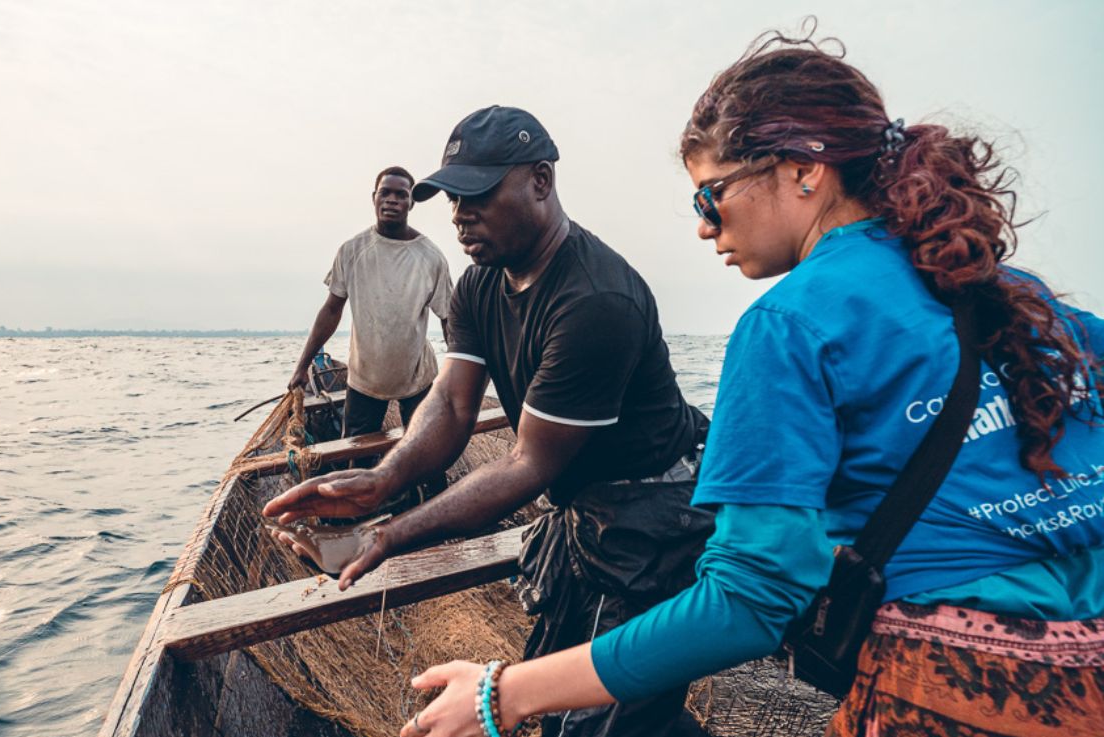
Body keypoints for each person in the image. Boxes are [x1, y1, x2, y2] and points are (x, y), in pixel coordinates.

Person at [394, 30, 1104, 737]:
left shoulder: (787, 325)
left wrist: (502, 693)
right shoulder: (1023, 297)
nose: (705, 228)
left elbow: (750, 598)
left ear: (804, 170)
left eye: (710, 196)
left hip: (964, 691)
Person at [265, 106, 712, 737]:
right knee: (574, 705)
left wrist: (385, 536)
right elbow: (451, 404)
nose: (458, 214)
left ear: (540, 180)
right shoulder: (479, 284)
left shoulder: (594, 301)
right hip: (583, 506)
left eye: (476, 194)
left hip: (651, 515)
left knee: (601, 718)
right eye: (452, 198)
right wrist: (381, 482)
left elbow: (527, 463)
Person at [288, 166, 453, 439]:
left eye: (401, 195)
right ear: (374, 198)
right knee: (356, 453)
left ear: (411, 203)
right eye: (385, 193)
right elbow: (331, 309)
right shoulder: (352, 251)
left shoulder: (430, 257)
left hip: (417, 377)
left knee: (426, 450)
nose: (391, 200)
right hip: (365, 379)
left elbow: (449, 319)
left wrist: (457, 376)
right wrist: (302, 366)